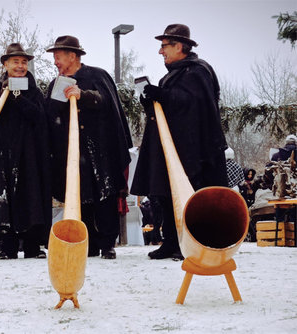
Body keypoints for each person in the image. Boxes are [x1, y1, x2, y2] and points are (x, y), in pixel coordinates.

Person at [131, 24, 228, 260]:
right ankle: (172, 242)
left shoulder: (197, 71)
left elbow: (194, 105)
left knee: (191, 197)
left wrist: (162, 95)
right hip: (171, 148)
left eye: (164, 46)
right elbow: (171, 107)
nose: (160, 51)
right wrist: (151, 100)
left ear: (180, 46)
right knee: (165, 195)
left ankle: (194, 243)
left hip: (193, 150)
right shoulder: (173, 75)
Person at [45, 35, 133, 259]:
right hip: (71, 154)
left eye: (58, 57)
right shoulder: (55, 84)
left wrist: (83, 96)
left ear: (72, 56)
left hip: (100, 150)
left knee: (104, 195)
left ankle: (107, 243)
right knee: (80, 196)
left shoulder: (97, 76)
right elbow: (49, 116)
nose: (55, 62)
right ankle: (88, 243)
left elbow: (106, 102)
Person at [0, 43, 52, 259]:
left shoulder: (33, 91)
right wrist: (4, 93)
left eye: (24, 62)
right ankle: (8, 247)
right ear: (5, 64)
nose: (21, 66)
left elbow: (40, 119)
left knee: (30, 197)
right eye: (16, 61)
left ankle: (33, 246)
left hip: (28, 156)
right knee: (4, 198)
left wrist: (18, 98)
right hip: (2, 155)